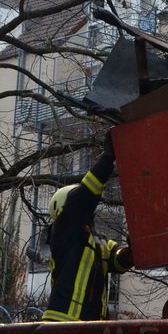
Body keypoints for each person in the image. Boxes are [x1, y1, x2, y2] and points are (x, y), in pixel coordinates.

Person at [42, 134, 133, 322]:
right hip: (62, 323)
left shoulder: (98, 242)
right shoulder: (63, 233)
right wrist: (107, 159)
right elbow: (83, 198)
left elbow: (118, 261)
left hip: (89, 327)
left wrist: (132, 251)